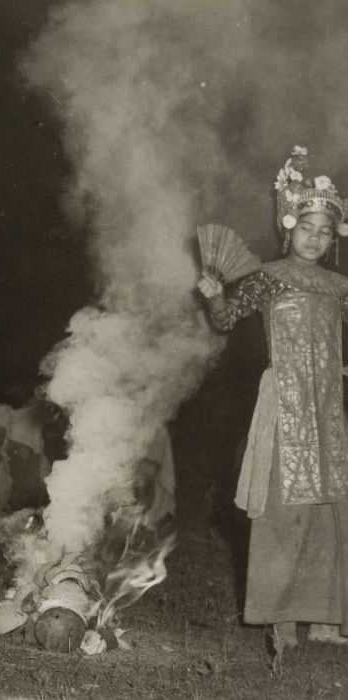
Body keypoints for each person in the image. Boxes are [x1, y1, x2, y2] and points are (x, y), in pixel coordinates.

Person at [197, 146, 348, 649]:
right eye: (307, 227)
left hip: (328, 410)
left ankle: (327, 617)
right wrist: (215, 293)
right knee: (283, 508)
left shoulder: (339, 287)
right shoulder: (269, 276)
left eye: (326, 232)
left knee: (332, 508)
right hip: (283, 405)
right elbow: (224, 319)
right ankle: (280, 616)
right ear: (290, 227)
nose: (316, 238)